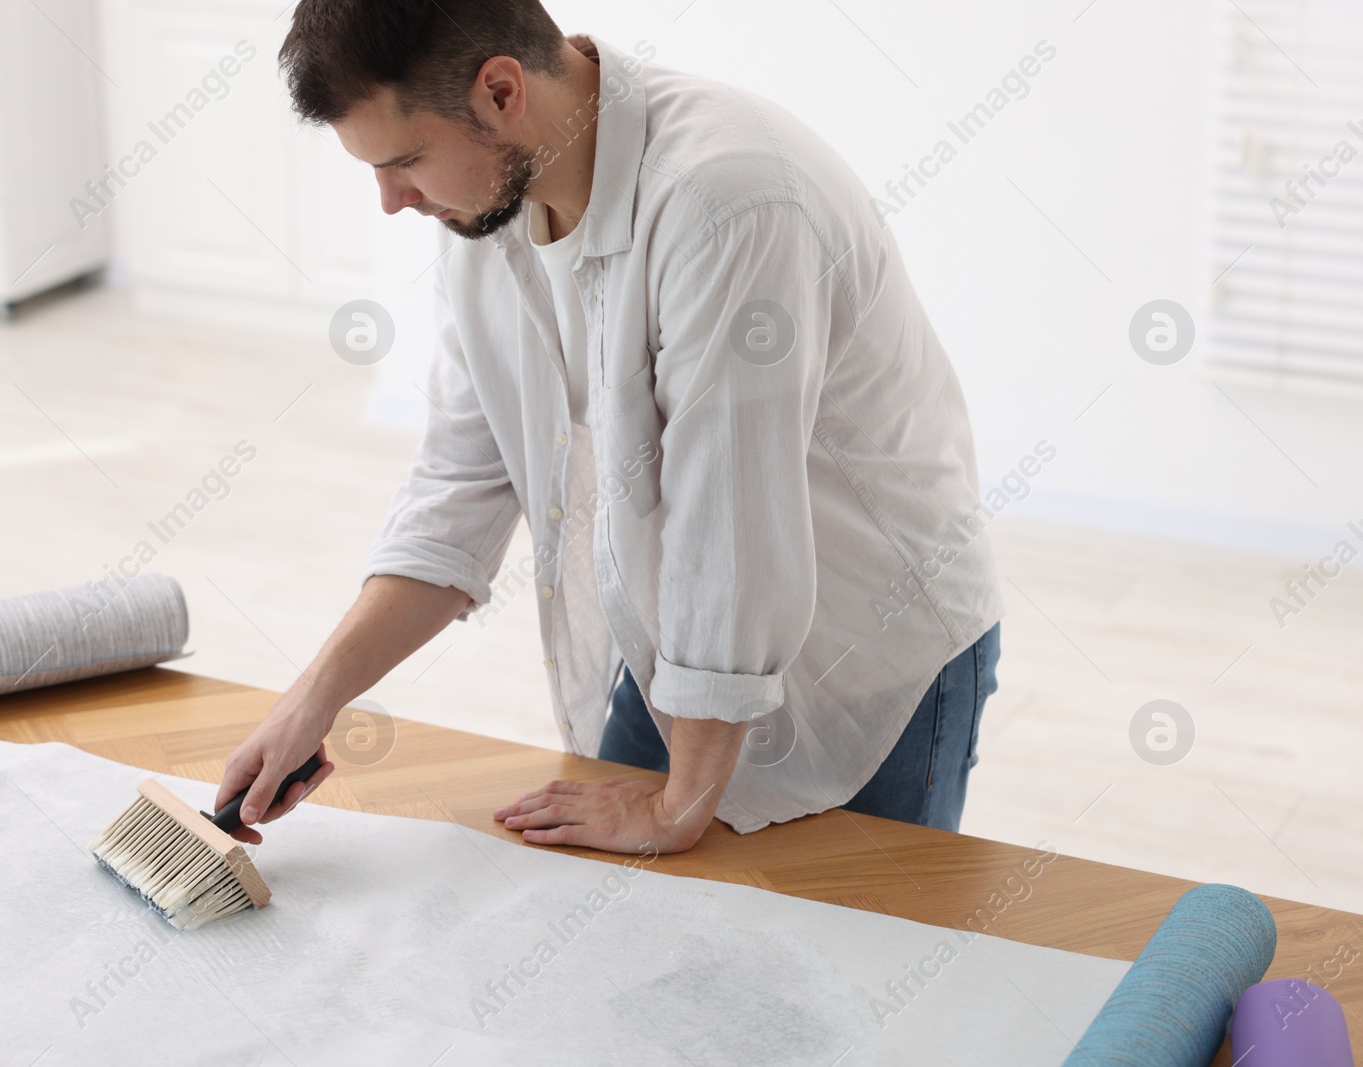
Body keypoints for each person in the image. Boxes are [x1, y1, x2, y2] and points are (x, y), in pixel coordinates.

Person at [213, 0, 1004, 856]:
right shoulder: (485, 206)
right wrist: (312, 701)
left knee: (843, 971)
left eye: (404, 161)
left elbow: (729, 534)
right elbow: (460, 485)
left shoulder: (728, 204)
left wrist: (675, 808)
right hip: (681, 633)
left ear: (501, 92)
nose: (392, 201)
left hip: (867, 660)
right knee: (629, 940)